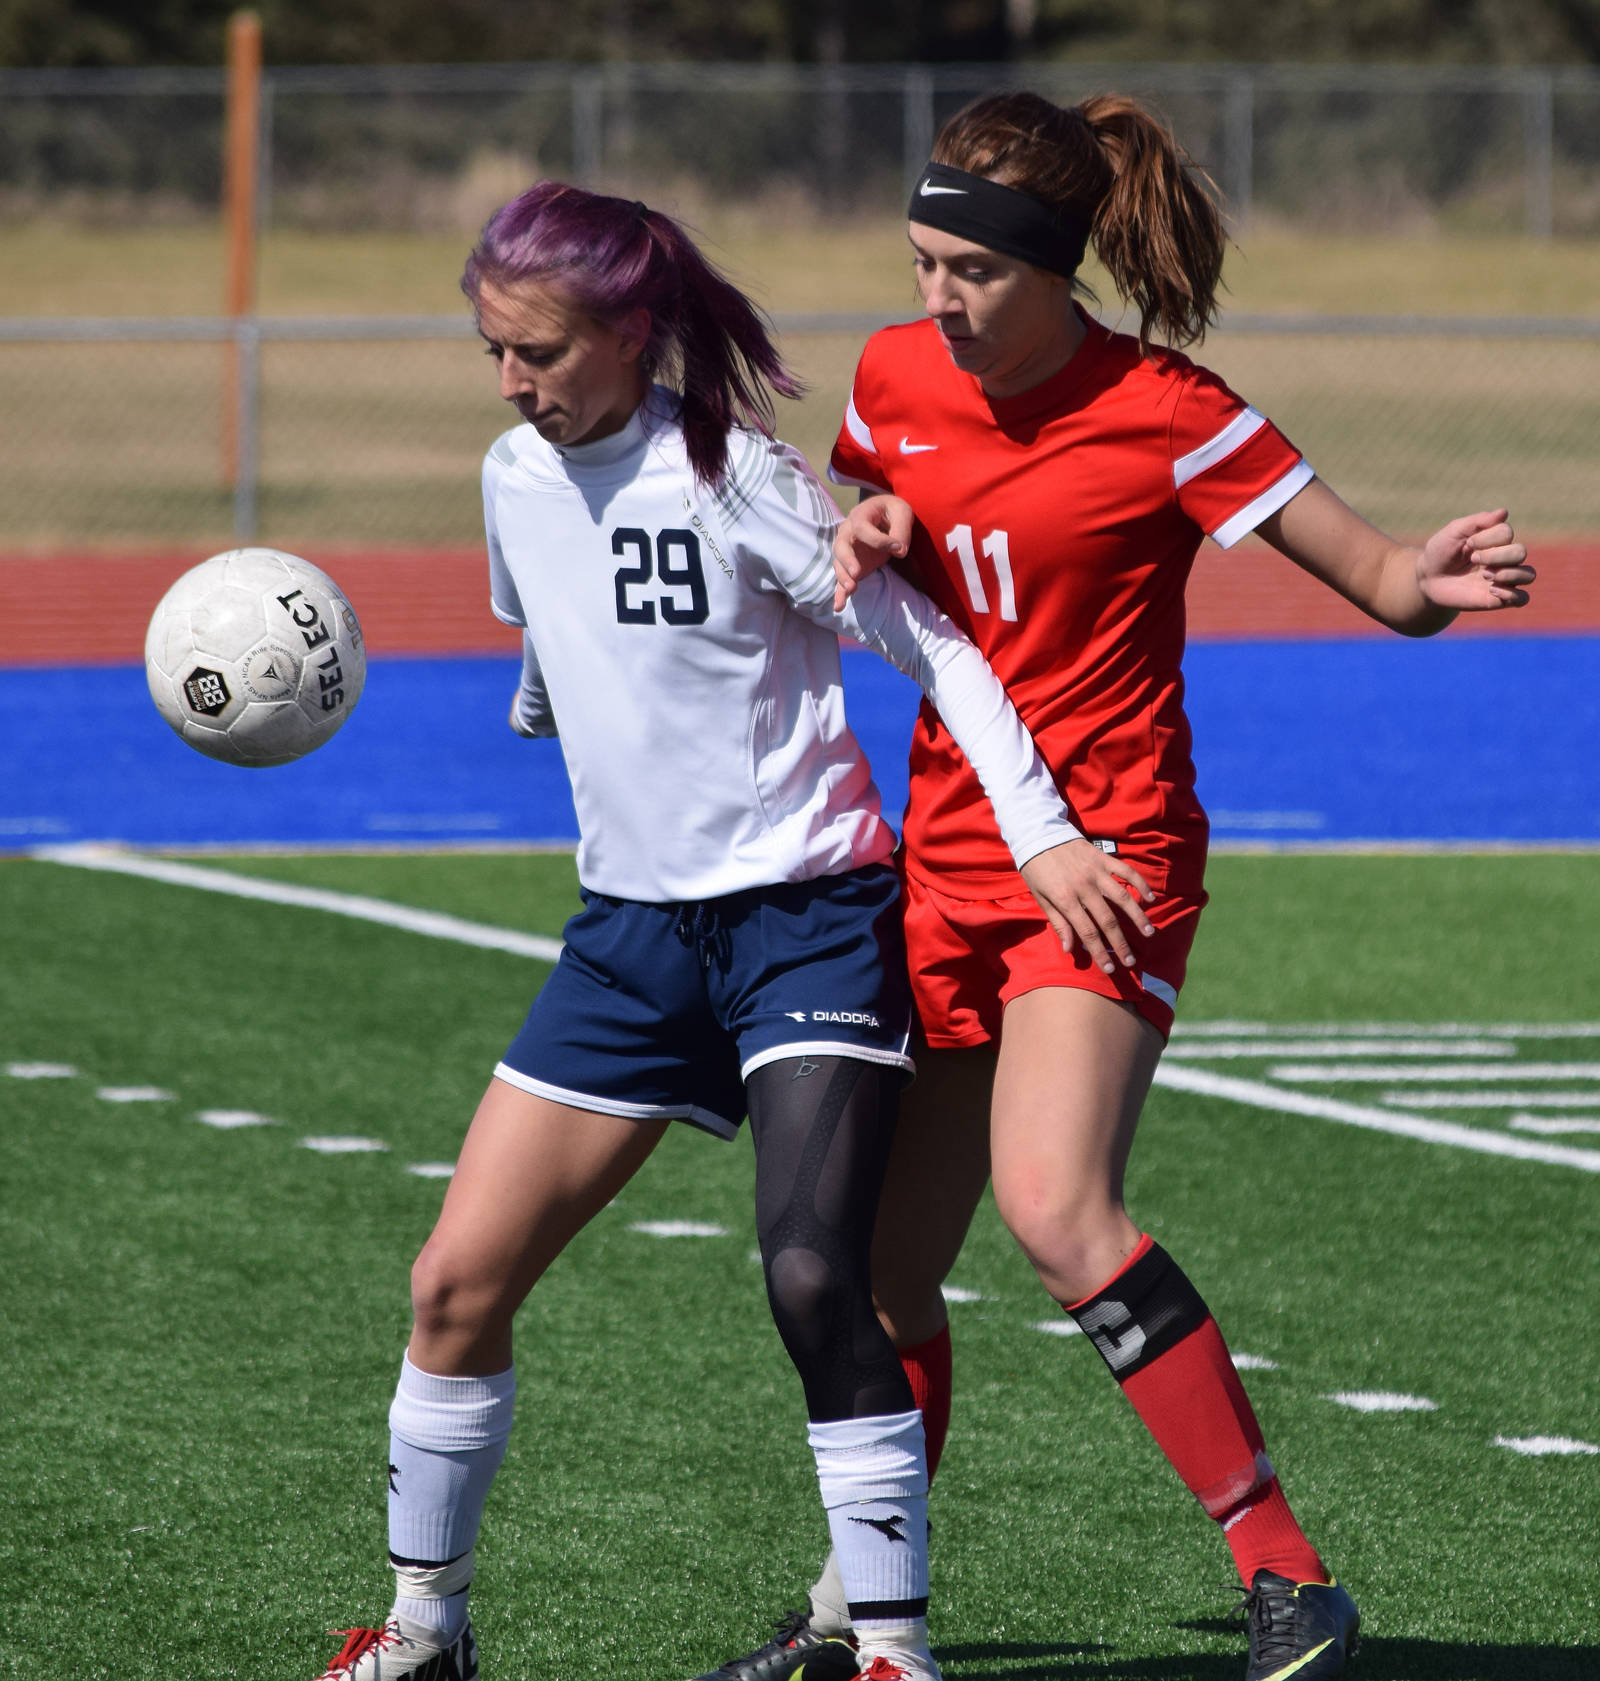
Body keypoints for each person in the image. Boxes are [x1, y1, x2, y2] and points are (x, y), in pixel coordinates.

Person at [697, 92, 1536, 1681]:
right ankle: (850, 1616)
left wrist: (1430, 583)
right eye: (922, 261)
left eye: (971, 273)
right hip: (944, 854)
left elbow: (1372, 574)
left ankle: (1291, 1577)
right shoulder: (891, 375)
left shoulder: (1165, 409)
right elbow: (864, 523)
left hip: (1110, 859)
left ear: (1053, 265)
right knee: (879, 1276)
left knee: (1057, 1204)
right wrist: (863, 520)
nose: (939, 299)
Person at [304, 180, 1146, 1681]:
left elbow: (935, 649)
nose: (512, 380)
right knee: (452, 1284)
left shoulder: (742, 478)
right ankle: (425, 1634)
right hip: (630, 938)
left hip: (807, 925)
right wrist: (559, 704)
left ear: (632, 332)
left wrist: (1046, 835)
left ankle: (891, 1654)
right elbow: (545, 636)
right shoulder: (512, 472)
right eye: (493, 349)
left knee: (817, 1278)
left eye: (540, 351)